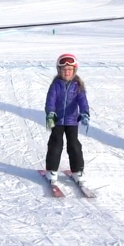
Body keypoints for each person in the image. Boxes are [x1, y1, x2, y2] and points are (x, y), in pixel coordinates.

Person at [44, 53, 90, 184]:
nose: (67, 72)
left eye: (70, 69)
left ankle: (77, 171)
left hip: (72, 121)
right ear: (59, 70)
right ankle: (51, 170)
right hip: (57, 121)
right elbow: (50, 101)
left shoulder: (78, 86)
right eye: (64, 70)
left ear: (74, 70)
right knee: (56, 145)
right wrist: (50, 113)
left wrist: (85, 113)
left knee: (74, 145)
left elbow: (83, 101)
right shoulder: (55, 85)